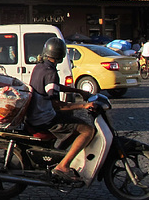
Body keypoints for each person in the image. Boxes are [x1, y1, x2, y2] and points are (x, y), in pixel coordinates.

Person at [26, 37, 96, 182]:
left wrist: (78, 91)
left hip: (36, 115)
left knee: (73, 121)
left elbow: (53, 86)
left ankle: (59, 155)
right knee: (87, 129)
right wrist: (83, 105)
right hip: (45, 119)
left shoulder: (40, 67)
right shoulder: (51, 73)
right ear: (62, 55)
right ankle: (63, 165)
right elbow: (57, 105)